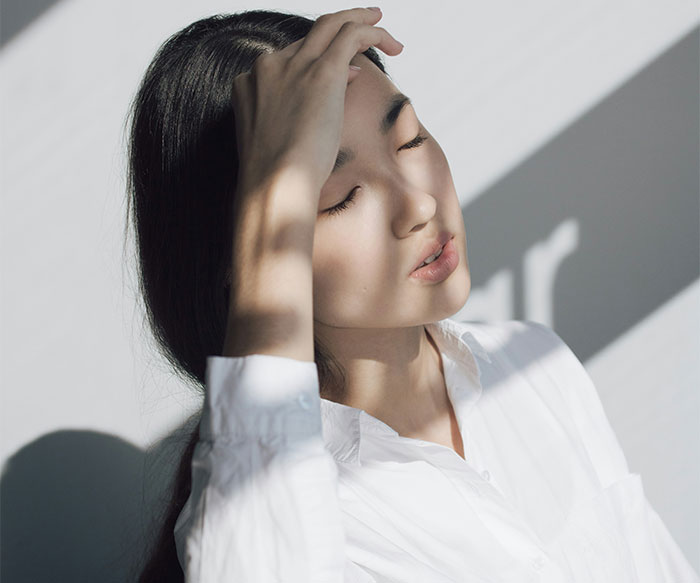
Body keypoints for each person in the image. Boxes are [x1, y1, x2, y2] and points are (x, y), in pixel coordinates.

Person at [125, 6, 700, 582]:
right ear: (242, 257)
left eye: (409, 140)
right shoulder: (283, 507)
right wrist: (277, 189)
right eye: (339, 196)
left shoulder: (535, 366)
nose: (419, 204)